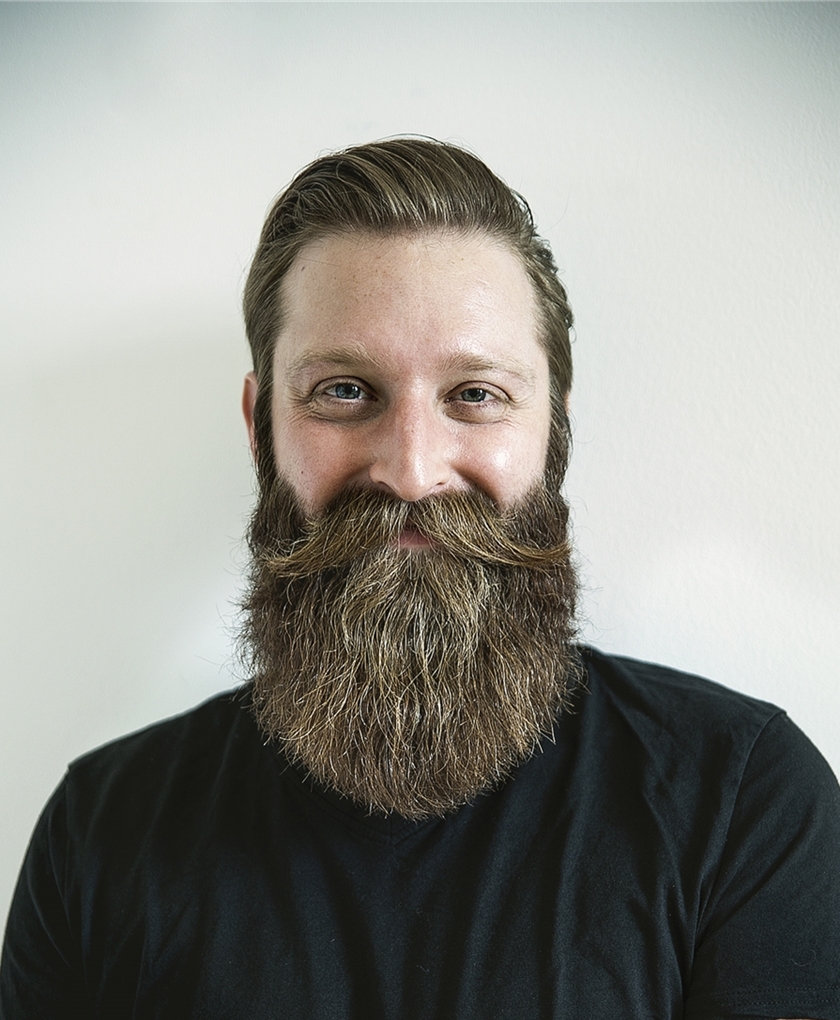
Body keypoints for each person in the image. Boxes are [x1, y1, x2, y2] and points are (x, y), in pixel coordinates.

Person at [1, 138, 838, 1020]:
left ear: (554, 431)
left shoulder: (743, 804)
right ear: (259, 428)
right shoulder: (100, 830)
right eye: (344, 390)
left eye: (475, 394)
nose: (411, 471)